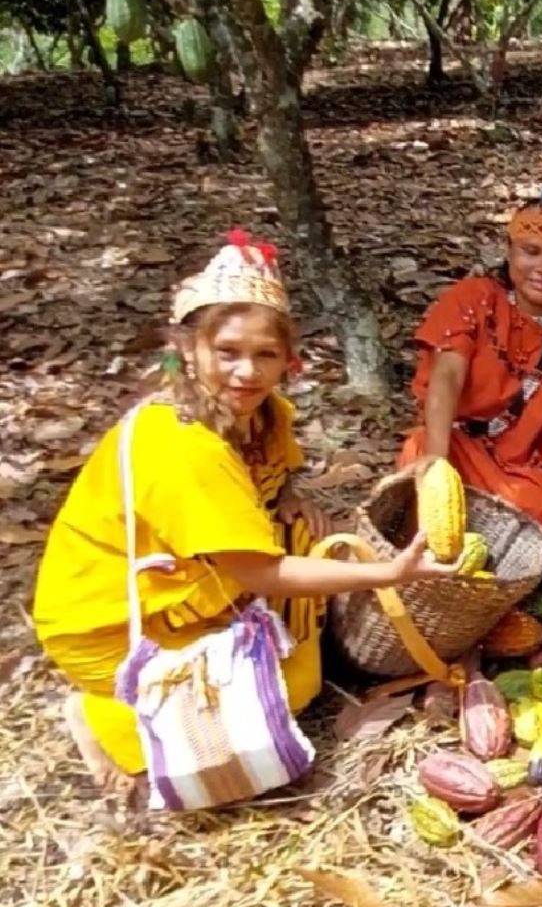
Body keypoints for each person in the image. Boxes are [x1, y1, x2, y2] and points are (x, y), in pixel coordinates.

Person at [33, 233, 453, 792]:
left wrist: (291, 498)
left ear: (288, 359)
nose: (246, 372)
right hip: (111, 622)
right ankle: (105, 717)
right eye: (226, 352)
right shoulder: (181, 445)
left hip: (196, 588)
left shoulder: (263, 412)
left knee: (303, 665)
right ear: (188, 349)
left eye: (265, 355)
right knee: (279, 703)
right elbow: (263, 572)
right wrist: (390, 573)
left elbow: (280, 474)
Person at [401, 177, 542, 551]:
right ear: (509, 252)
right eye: (531, 252)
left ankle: (491, 547)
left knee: (536, 505)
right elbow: (447, 374)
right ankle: (438, 548)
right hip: (467, 450)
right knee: (418, 452)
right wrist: (438, 463)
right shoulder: (475, 298)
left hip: (535, 469)